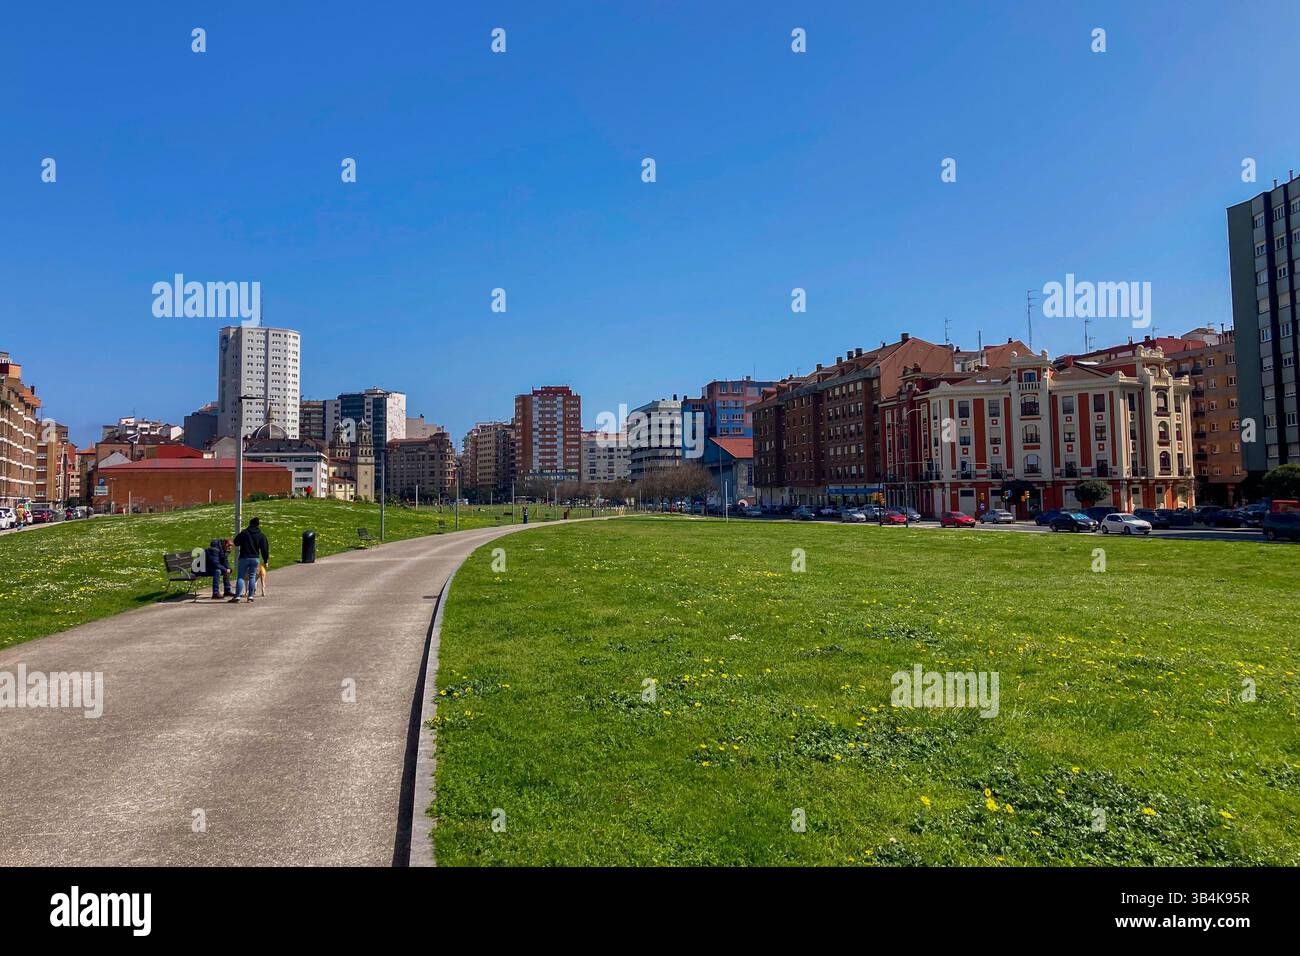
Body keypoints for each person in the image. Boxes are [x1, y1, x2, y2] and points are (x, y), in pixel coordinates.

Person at [229, 517, 269, 604]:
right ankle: (250, 597)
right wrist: (266, 560)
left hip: (244, 557)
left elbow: (236, 542)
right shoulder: (261, 535)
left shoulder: (244, 533)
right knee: (252, 577)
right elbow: (264, 549)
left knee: (240, 577)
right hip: (255, 559)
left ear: (250, 523)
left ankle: (237, 597)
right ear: (258, 525)